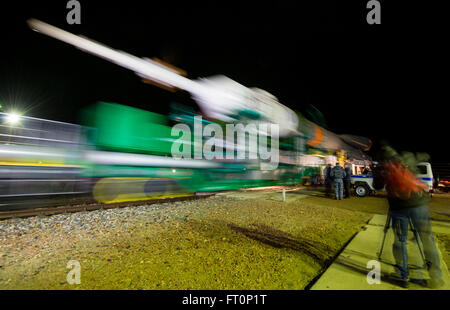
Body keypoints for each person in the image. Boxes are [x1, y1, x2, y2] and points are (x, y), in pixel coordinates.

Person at [373, 146, 444, 289]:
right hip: (419, 205)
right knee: (427, 240)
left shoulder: (383, 166)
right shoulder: (407, 159)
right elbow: (423, 159)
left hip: (399, 208)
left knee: (400, 241)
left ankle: (402, 276)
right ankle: (436, 278)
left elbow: (378, 185)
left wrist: (380, 171)